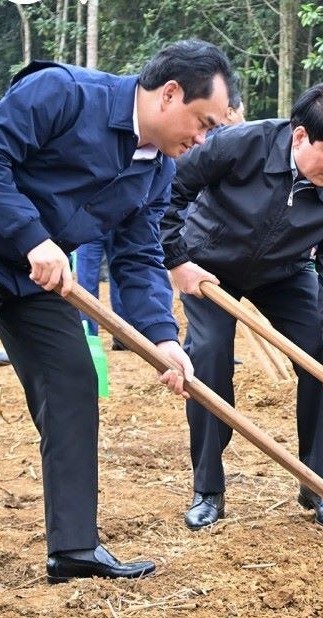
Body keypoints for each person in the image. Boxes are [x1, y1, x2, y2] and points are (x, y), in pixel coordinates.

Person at [0, 40, 234, 583]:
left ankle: (74, 549)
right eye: (201, 123)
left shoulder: (157, 174)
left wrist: (164, 339)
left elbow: (138, 258)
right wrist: (31, 235)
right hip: (28, 248)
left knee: (73, 383)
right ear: (169, 94)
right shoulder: (62, 93)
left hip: (35, 281)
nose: (201, 140)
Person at [161, 82, 323, 534]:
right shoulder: (241, 144)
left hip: (283, 273)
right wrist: (176, 257)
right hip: (208, 266)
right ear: (299, 136)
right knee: (210, 354)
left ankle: (320, 486)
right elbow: (169, 188)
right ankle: (208, 489)